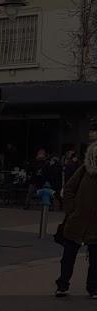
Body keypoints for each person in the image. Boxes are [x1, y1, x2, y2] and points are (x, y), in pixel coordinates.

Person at [55, 123, 97, 299]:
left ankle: (93, 288)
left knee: (95, 260)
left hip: (96, 224)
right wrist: (71, 209)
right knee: (68, 256)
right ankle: (62, 285)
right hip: (77, 219)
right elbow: (69, 188)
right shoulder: (85, 170)